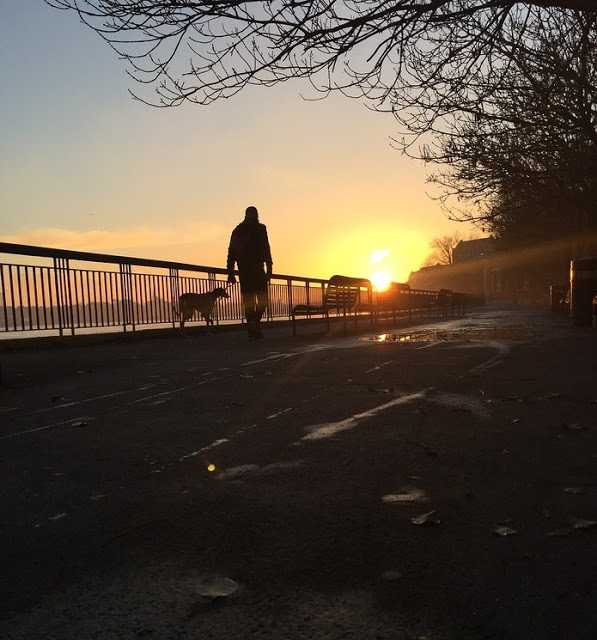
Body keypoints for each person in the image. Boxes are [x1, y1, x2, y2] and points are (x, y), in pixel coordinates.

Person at [227, 206, 273, 339]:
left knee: (249, 302)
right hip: (257, 271)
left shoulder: (238, 230)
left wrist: (230, 272)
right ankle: (254, 329)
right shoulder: (260, 229)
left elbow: (232, 252)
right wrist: (269, 268)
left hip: (246, 272)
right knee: (261, 301)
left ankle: (253, 328)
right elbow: (266, 249)